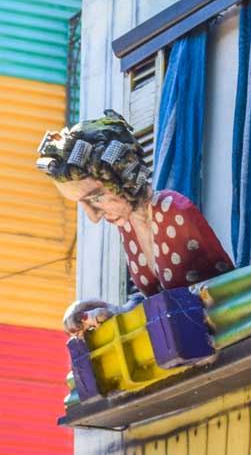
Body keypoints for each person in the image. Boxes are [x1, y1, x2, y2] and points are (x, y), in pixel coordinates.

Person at [36, 110, 233, 336]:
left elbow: (199, 296)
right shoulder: (127, 225)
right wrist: (115, 311)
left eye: (96, 198)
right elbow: (155, 301)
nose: (93, 216)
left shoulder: (172, 209)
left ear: (122, 179)